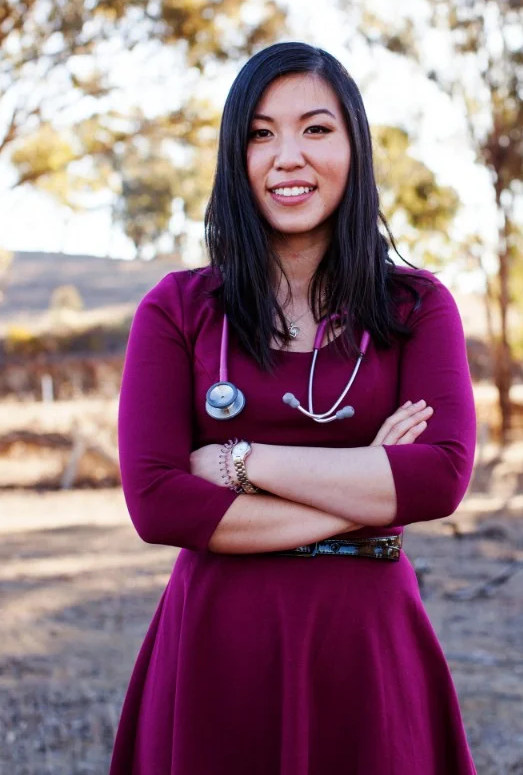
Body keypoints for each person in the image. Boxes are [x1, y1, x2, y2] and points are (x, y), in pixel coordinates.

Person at [109, 41, 479, 774]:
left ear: (354, 148)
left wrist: (242, 462)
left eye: (315, 129)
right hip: (219, 647)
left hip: (367, 647)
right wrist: (369, 483)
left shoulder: (416, 306)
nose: (288, 157)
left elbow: (438, 477)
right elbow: (158, 503)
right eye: (261, 133)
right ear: (235, 156)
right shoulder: (178, 310)